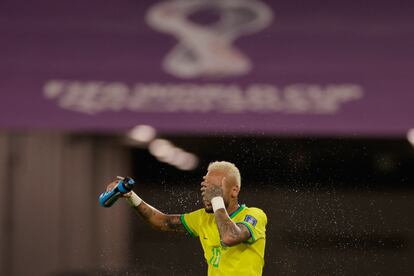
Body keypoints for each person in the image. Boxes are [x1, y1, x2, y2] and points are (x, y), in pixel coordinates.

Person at [105, 161, 267, 275]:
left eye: (215, 189)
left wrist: (216, 199)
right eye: (205, 189)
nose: (207, 194)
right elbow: (163, 221)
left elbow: (229, 237)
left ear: (234, 191)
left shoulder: (254, 215)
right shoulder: (203, 218)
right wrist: (130, 196)